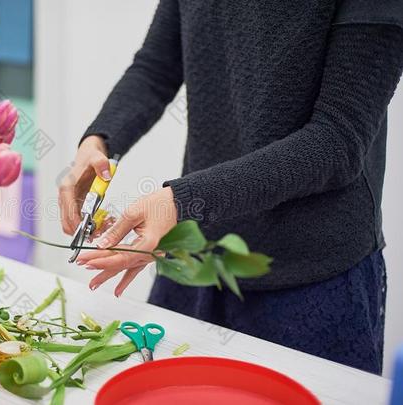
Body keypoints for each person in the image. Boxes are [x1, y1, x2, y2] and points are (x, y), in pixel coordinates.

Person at [57, 0, 403, 374]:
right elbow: (156, 68)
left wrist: (181, 202)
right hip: (195, 254)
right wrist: (99, 141)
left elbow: (337, 140)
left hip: (309, 279)